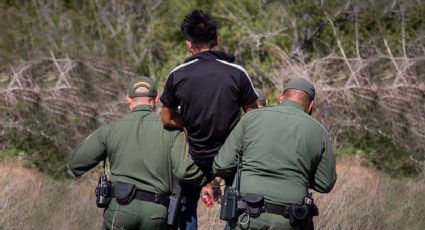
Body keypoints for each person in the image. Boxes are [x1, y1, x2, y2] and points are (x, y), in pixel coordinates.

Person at [160, 10, 258, 229]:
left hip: (193, 157)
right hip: (230, 158)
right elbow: (254, 116)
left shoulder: (177, 74)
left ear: (188, 44)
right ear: (217, 40)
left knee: (185, 207)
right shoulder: (237, 72)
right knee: (236, 208)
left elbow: (166, 119)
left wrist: (189, 122)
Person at [67, 77, 206, 230]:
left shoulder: (111, 129)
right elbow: (185, 170)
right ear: (156, 98)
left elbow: (74, 165)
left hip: (120, 209)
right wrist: (212, 178)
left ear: (129, 99)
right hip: (157, 212)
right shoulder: (172, 132)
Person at [206, 78, 337, 229]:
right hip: (291, 218)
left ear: (282, 96)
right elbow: (325, 183)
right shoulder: (319, 131)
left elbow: (222, 164)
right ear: (311, 105)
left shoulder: (251, 118)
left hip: (247, 214)